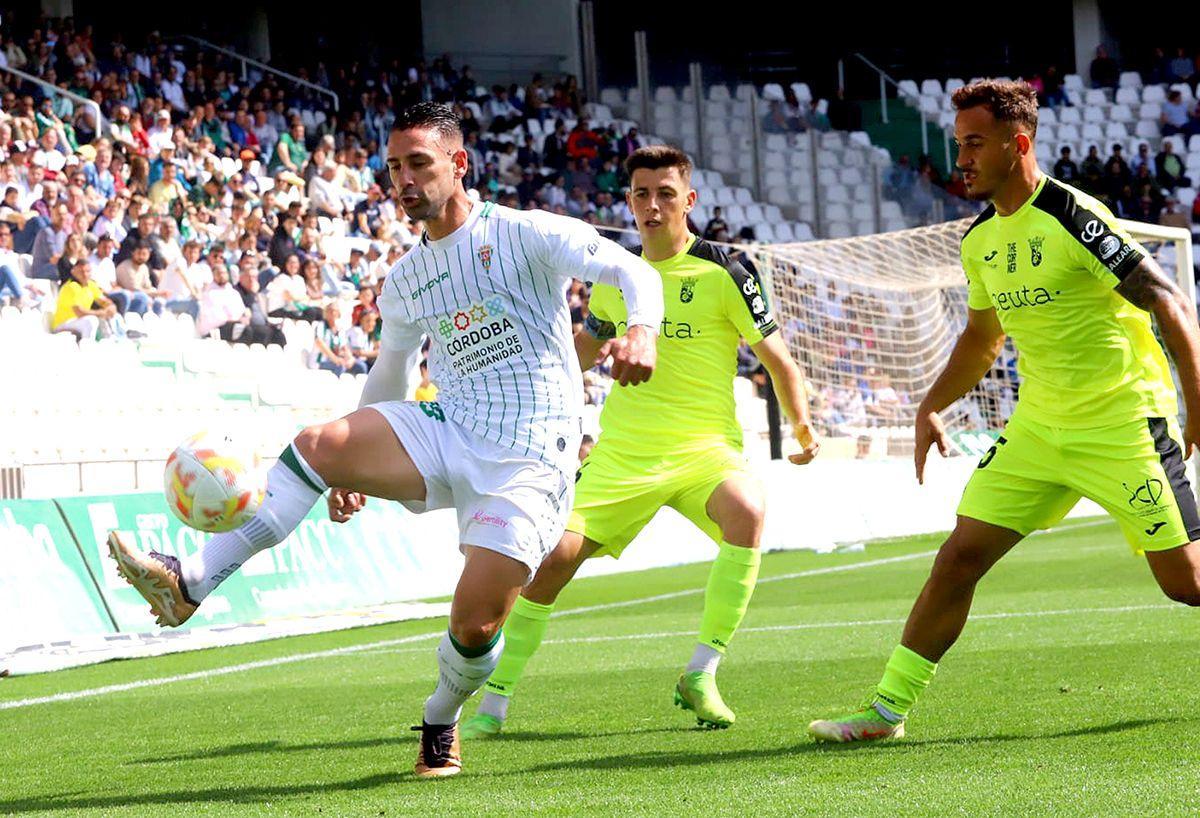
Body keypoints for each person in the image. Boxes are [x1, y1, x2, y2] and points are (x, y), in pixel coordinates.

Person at [107, 102, 664, 779]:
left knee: (476, 625)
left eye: (419, 164)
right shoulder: (405, 278)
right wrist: (349, 472)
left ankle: (441, 715)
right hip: (448, 427)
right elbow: (392, 372)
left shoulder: (526, 232)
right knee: (319, 443)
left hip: (530, 458)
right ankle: (189, 581)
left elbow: (637, 273)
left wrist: (642, 330)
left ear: (459, 165)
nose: (403, 180)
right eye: (393, 167)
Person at [809, 80, 1200, 744]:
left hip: (1124, 421)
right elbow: (981, 339)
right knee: (959, 556)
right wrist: (932, 403)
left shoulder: (1074, 217)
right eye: (958, 143)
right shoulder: (979, 240)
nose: (960, 158)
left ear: (1017, 144)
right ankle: (885, 712)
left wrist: (1198, 408)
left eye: (974, 144)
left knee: (1186, 583)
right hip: (1039, 431)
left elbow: (1169, 302)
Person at [461, 144, 820, 738]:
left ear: (689, 200)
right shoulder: (617, 277)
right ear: (629, 202)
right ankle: (493, 703)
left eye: (665, 194)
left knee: (749, 511)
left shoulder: (726, 271)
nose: (652, 207)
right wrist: (524, 398)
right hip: (622, 454)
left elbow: (778, 361)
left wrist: (803, 431)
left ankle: (701, 673)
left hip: (704, 450)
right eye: (641, 195)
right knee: (548, 565)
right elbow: (583, 350)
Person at [52, 258, 116, 341]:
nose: (85, 274)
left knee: (113, 316)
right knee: (91, 320)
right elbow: (79, 312)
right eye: (81, 272)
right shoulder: (71, 287)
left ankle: (113, 341)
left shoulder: (91, 285)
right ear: (73, 272)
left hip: (78, 322)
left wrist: (111, 307)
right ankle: (86, 347)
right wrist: (101, 313)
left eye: (88, 271)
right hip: (63, 324)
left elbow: (103, 301)